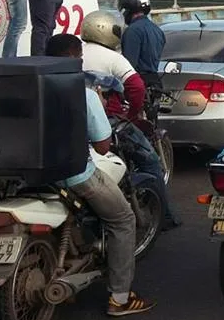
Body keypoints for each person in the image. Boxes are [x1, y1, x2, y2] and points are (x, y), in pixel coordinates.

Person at [49, 29, 182, 230]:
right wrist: (133, 115)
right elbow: (136, 88)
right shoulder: (109, 63)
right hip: (103, 129)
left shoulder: (34, 80)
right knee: (150, 162)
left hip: (32, 172)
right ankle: (166, 215)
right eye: (79, 57)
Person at [64, 78, 155, 316]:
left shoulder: (20, 85)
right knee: (124, 219)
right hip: (75, 175)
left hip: (22, 177)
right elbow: (103, 147)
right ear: (76, 60)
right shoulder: (84, 94)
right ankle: (120, 298)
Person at [118, 0, 165, 87]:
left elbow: (128, 66)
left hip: (139, 83)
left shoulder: (132, 31)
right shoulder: (157, 30)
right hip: (155, 81)